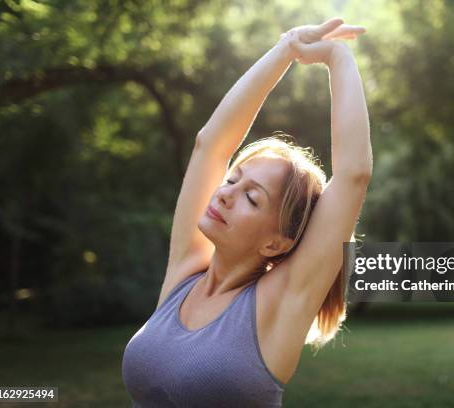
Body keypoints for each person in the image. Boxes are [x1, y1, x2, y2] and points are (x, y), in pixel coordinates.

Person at [122, 17, 372, 407]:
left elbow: (353, 175)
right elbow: (211, 145)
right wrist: (285, 48)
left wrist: (338, 58)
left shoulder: (281, 301)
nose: (225, 194)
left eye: (252, 198)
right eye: (233, 180)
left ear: (277, 242)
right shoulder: (186, 272)